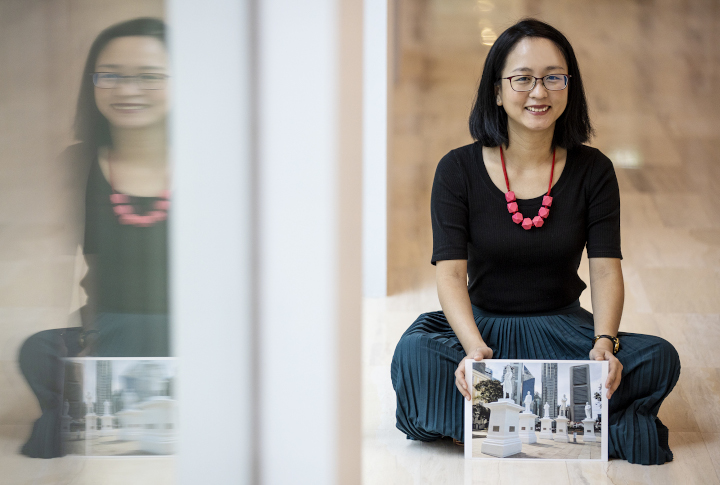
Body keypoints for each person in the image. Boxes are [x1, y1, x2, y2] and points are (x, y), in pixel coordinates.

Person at [390, 18, 680, 465]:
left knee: (659, 358)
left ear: (570, 86)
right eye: (522, 78)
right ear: (496, 89)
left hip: (562, 332)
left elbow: (604, 268)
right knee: (415, 355)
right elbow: (450, 273)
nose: (539, 92)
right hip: (483, 331)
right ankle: (575, 430)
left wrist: (604, 344)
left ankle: (494, 427)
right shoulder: (457, 170)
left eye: (553, 77)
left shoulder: (594, 170)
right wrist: (472, 351)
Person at [17, 17, 170, 458]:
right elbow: (79, 271)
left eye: (148, 76)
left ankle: (111, 412)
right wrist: (88, 342)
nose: (127, 89)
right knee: (37, 349)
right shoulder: (81, 163)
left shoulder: (208, 158)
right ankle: (118, 409)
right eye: (111, 75)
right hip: (113, 328)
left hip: (191, 333)